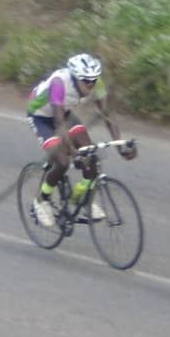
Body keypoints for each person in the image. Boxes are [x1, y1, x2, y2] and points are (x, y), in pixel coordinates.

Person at [26, 53, 137, 227]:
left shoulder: (96, 84)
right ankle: (41, 200)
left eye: (93, 80)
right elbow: (59, 122)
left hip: (64, 113)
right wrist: (73, 151)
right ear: (76, 78)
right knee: (62, 161)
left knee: (91, 155)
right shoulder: (59, 83)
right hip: (42, 117)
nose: (90, 85)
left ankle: (81, 199)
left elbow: (107, 113)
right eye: (86, 80)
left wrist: (119, 145)